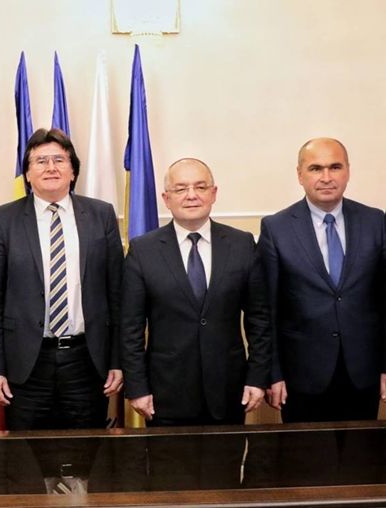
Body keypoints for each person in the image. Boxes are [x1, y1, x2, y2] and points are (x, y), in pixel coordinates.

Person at [0, 128, 123, 430]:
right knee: (25, 454)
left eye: (59, 160)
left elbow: (117, 296)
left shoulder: (101, 215)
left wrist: (117, 360)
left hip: (87, 361)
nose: (51, 167)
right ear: (27, 174)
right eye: (41, 161)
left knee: (86, 451)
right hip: (26, 365)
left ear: (73, 171)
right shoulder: (3, 220)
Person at [120, 158, 271, 426]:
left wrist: (257, 378)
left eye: (200, 187)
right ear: (166, 199)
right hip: (165, 395)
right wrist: (137, 387)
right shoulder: (143, 251)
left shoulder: (242, 244)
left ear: (214, 193)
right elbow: (130, 327)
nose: (191, 195)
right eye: (180, 189)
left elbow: (259, 319)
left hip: (229, 391)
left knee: (227, 455)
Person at [259, 137, 386, 422]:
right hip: (301, 377)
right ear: (300, 175)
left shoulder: (376, 221)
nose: (326, 177)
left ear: (348, 171)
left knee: (364, 451)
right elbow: (267, 309)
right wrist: (273, 373)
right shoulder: (276, 228)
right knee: (306, 452)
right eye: (316, 168)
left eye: (335, 167)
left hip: (363, 373)